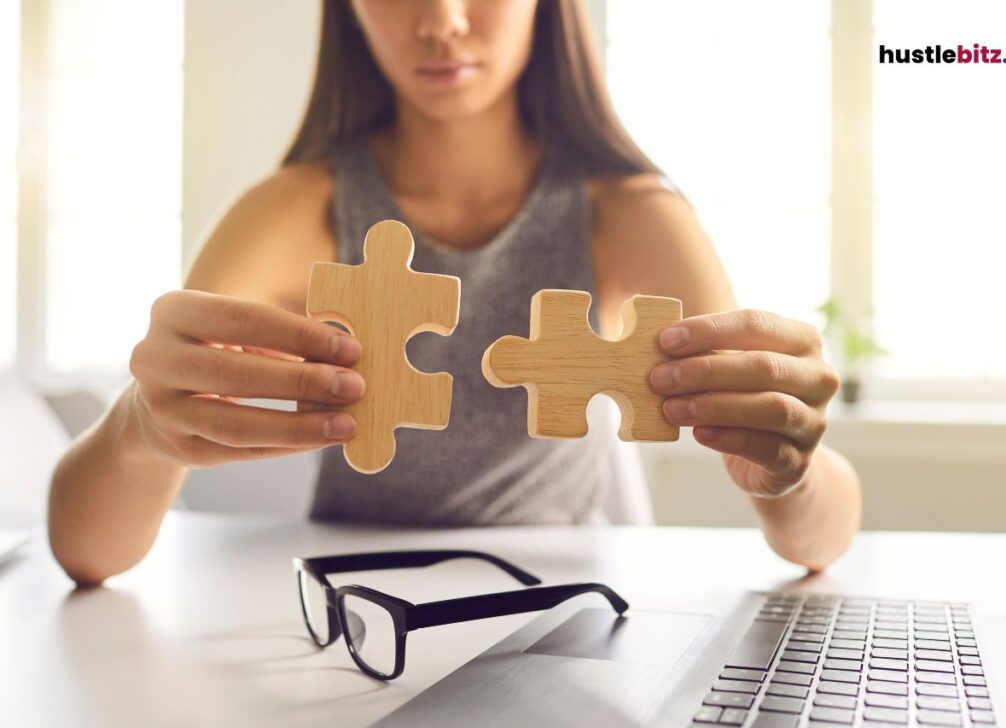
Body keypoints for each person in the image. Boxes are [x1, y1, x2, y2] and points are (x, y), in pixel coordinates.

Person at [48, 0, 861, 586]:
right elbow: (86, 554)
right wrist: (139, 429)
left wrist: (788, 472)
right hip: (355, 609)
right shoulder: (291, 211)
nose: (440, 19)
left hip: (561, 610)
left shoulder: (629, 212)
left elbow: (816, 544)